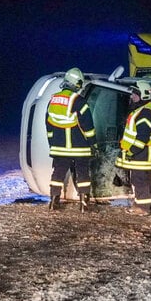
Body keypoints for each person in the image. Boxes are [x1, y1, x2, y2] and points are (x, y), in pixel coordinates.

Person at [45, 67, 97, 212]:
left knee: (58, 173)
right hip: (80, 147)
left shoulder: (53, 100)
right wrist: (93, 143)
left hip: (59, 147)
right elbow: (88, 125)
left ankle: (53, 202)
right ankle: (83, 204)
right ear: (77, 84)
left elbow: (48, 125)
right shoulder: (79, 101)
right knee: (83, 173)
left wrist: (52, 143)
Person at [115, 80, 151, 216]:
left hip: (141, 154)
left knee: (140, 180)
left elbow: (142, 137)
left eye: (135, 94)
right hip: (140, 153)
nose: (132, 96)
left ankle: (143, 208)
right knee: (137, 180)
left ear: (143, 95)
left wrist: (132, 151)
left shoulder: (145, 112)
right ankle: (139, 205)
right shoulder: (142, 110)